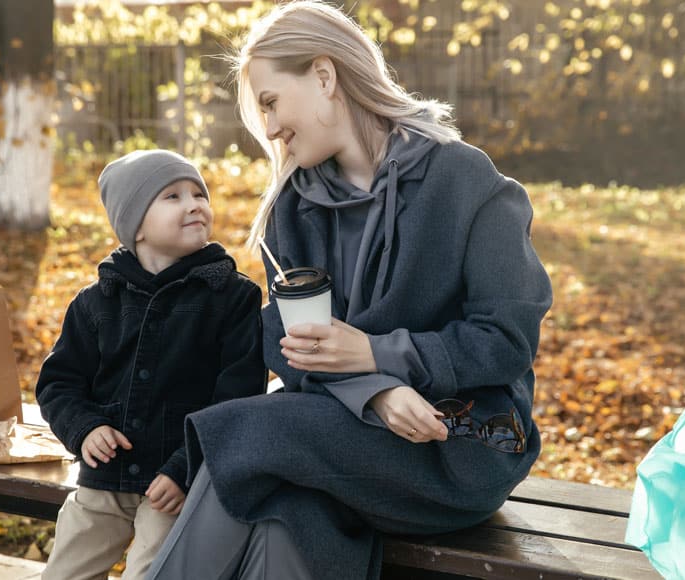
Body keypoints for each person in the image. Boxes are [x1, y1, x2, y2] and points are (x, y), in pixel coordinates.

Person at [148, 2, 553, 579]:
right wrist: (375, 393)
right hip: (346, 432)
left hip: (460, 442)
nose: (268, 127)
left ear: (323, 75)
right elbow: (290, 343)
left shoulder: (466, 183)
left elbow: (506, 341)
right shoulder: (296, 207)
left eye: (270, 102)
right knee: (289, 511)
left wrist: (377, 354)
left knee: (244, 432)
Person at [36, 149, 266, 580]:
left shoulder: (231, 298)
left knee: (154, 572)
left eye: (199, 194)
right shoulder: (96, 302)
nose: (194, 203)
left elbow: (237, 398)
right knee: (65, 572)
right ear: (135, 225)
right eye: (173, 196)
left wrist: (185, 469)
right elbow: (58, 384)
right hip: (104, 478)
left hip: (173, 484)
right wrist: (84, 428)